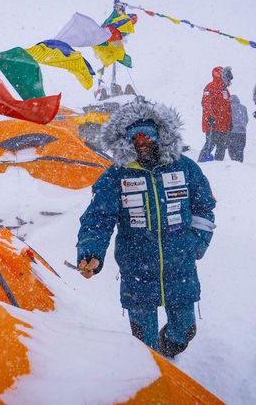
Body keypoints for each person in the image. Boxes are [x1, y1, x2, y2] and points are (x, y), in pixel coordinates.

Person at [76, 96, 216, 358]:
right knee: (144, 346)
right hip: (137, 270)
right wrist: (91, 253)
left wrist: (197, 243)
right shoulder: (116, 175)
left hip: (180, 267)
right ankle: (154, 374)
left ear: (160, 135)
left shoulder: (185, 168)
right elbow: (98, 218)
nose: (141, 144)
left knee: (184, 331)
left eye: (146, 137)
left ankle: (167, 355)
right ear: (125, 141)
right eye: (135, 139)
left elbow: (204, 206)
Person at [198, 66, 233, 161]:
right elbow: (206, 103)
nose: (230, 79)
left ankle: (218, 166)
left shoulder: (225, 91)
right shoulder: (210, 87)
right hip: (212, 124)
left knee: (221, 148)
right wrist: (210, 116)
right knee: (209, 145)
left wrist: (230, 122)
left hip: (223, 126)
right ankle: (201, 163)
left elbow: (228, 109)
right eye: (228, 77)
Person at [227, 94, 248, 162]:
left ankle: (234, 163)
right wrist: (242, 125)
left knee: (231, 149)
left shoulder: (228, 107)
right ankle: (240, 162)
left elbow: (227, 120)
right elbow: (246, 119)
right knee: (240, 149)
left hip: (232, 132)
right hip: (242, 132)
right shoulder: (243, 108)